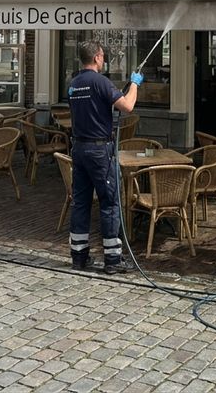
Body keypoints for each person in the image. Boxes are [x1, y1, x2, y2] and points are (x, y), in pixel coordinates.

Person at [68, 40, 142, 274]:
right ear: (97, 57)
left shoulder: (73, 84)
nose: (104, 59)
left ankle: (79, 257)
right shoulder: (100, 82)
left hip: (79, 148)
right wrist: (135, 84)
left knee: (80, 202)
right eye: (103, 56)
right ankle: (113, 259)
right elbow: (127, 106)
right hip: (100, 151)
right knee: (109, 202)